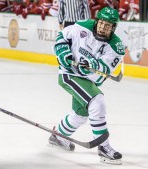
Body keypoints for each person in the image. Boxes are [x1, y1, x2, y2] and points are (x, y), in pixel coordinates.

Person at [48, 7, 125, 165]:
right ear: (97, 21)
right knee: (97, 101)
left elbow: (103, 70)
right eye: (101, 23)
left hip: (88, 79)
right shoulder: (82, 26)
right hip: (69, 74)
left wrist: (91, 65)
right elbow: (62, 35)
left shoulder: (116, 47)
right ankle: (104, 147)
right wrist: (62, 52)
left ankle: (58, 137)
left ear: (114, 28)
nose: (103, 28)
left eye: (108, 25)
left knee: (80, 114)